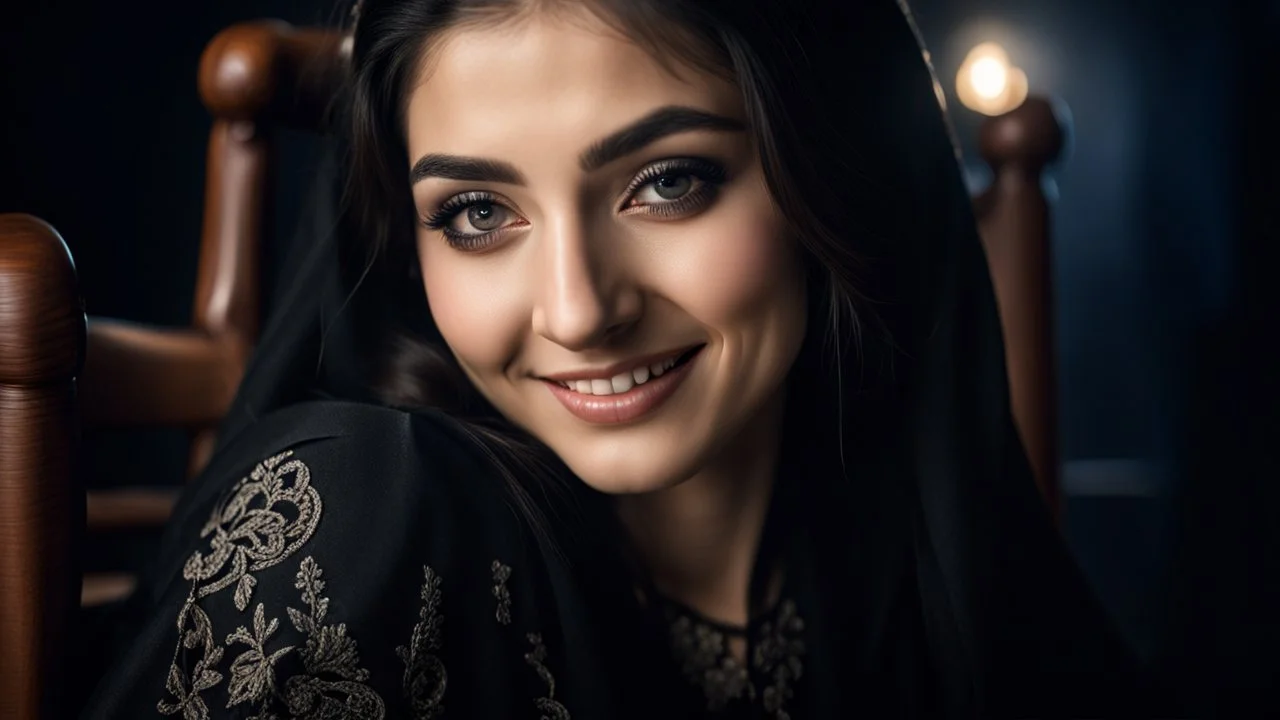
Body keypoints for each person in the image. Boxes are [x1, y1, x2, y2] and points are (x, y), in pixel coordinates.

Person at [80, 0, 1149, 717]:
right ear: (400, 246)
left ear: (829, 171)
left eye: (668, 181)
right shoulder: (354, 523)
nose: (578, 310)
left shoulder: (914, 554)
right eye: (477, 212)